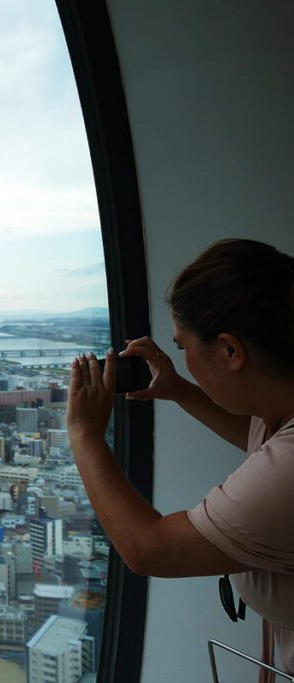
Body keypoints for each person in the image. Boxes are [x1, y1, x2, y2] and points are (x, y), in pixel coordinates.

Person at [67, 238, 294, 679]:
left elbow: (147, 549)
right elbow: (259, 444)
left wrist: (85, 433)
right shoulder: (280, 415)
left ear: (230, 350)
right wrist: (178, 390)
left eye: (186, 346)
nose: (183, 359)